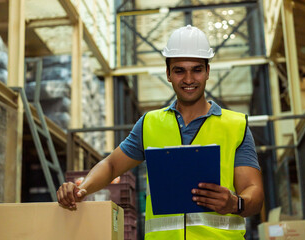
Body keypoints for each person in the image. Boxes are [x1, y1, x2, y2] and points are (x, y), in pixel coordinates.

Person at [57, 25, 264, 239]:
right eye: (179, 70)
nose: (189, 79)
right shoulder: (149, 124)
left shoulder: (235, 125)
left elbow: (253, 191)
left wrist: (234, 203)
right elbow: (111, 165)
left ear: (208, 72)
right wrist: (81, 189)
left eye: (197, 69)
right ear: (168, 74)